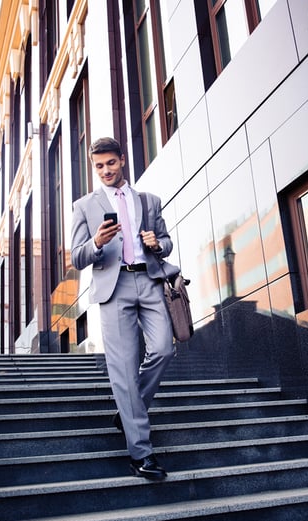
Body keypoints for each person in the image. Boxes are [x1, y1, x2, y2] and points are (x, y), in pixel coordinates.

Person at [70, 136, 176, 480]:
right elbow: (76, 257)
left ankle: (130, 410)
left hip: (148, 281)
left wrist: (157, 244)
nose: (105, 171)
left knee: (163, 349)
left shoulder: (148, 199)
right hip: (113, 290)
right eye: (98, 166)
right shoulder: (84, 205)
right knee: (124, 369)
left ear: (122, 160)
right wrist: (96, 243)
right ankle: (141, 455)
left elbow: (167, 241)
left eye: (110, 163)